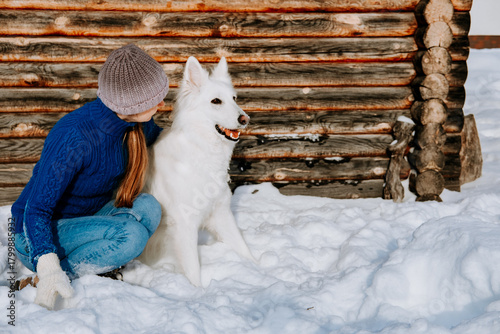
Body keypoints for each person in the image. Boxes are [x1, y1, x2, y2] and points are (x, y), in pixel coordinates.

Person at [10, 44, 169, 309]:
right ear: (130, 105)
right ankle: (52, 276)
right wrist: (48, 267)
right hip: (35, 234)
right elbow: (36, 210)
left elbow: (165, 139)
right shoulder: (75, 136)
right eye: (154, 101)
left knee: (149, 207)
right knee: (130, 236)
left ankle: (89, 260)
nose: (162, 104)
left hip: (87, 217)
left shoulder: (137, 123)